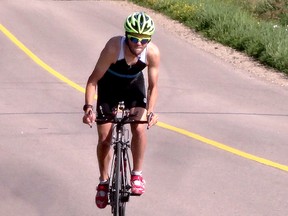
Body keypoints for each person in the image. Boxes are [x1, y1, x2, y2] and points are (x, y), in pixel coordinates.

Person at [82, 11, 160, 209]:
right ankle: (103, 181)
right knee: (105, 139)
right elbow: (93, 81)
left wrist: (150, 112)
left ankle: (137, 175)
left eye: (144, 40)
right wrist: (88, 108)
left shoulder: (152, 53)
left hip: (134, 87)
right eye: (134, 38)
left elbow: (153, 86)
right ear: (127, 36)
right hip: (109, 88)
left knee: (140, 128)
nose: (139, 44)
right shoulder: (113, 47)